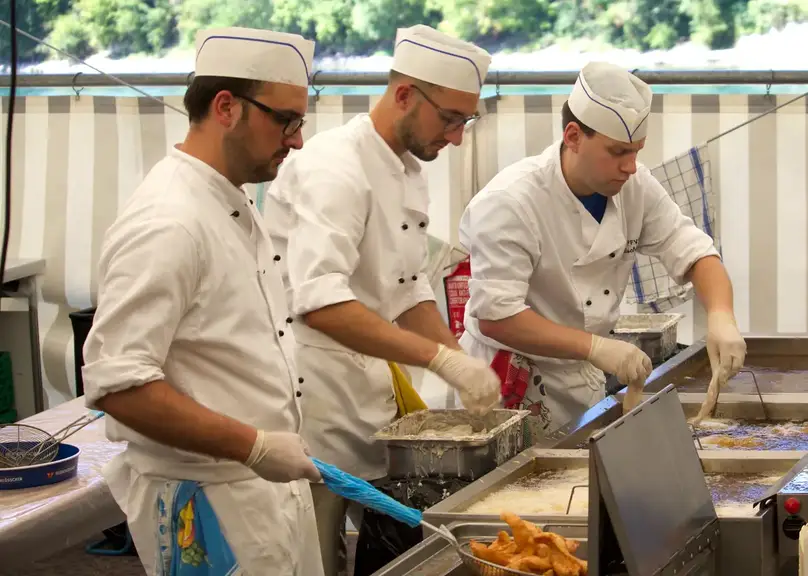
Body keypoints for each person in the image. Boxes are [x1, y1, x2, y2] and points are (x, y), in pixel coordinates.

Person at [82, 27, 324, 576]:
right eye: (286, 121)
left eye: (300, 122)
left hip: (259, 491)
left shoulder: (231, 203)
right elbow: (116, 383)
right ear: (226, 107)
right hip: (210, 506)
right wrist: (255, 445)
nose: (297, 140)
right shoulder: (170, 219)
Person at [262, 24, 500, 576]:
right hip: (309, 402)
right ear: (403, 95)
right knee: (314, 557)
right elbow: (319, 303)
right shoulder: (335, 168)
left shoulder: (408, 169)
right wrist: (438, 360)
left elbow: (407, 288)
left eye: (466, 121)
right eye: (450, 119)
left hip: (367, 390)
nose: (458, 137)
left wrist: (457, 356)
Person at [457, 61, 748, 434]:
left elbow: (694, 251)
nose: (630, 166)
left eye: (637, 152)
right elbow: (497, 316)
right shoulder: (511, 202)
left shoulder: (635, 186)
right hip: (505, 388)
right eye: (617, 152)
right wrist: (597, 348)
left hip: (579, 382)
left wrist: (722, 316)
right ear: (574, 136)